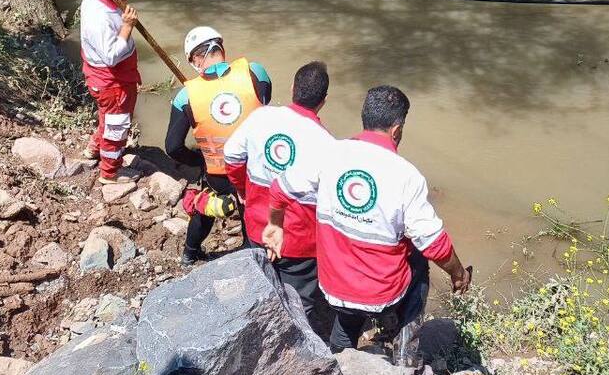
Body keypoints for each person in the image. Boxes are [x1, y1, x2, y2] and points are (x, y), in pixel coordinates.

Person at [265, 85, 471, 353]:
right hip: (381, 296)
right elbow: (436, 244)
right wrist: (458, 274)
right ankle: (406, 347)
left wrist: (275, 225)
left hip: (331, 289)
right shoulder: (406, 175)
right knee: (420, 260)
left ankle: (341, 355)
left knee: (348, 316)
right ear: (396, 130)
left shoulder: (329, 153)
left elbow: (279, 188)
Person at [223, 61, 335, 335]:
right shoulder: (327, 144)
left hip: (256, 226)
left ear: (293, 88)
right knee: (300, 305)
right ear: (323, 101)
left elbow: (231, 156)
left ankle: (251, 335)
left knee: (258, 285)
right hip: (299, 242)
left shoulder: (261, 118)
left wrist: (242, 191)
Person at [165, 26, 272, 265]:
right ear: (221, 48)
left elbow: (172, 147)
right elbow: (264, 107)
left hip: (218, 173)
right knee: (251, 207)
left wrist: (200, 160)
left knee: (207, 203)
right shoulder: (256, 72)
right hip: (255, 168)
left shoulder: (186, 96)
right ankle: (251, 253)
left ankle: (189, 253)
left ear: (194, 60)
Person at [79, 0, 141, 185]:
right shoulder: (100, 17)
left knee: (107, 117)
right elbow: (111, 56)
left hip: (104, 80)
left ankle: (94, 149)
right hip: (112, 83)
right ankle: (110, 173)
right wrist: (126, 27)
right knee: (117, 125)